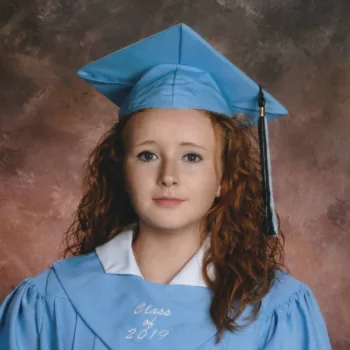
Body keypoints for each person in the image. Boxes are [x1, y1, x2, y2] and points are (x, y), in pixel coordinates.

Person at [0, 23, 331, 349]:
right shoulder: (50, 299)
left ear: (224, 178)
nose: (168, 175)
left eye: (192, 157)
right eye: (147, 155)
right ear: (121, 171)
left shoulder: (275, 307)